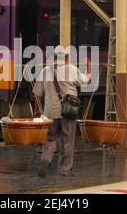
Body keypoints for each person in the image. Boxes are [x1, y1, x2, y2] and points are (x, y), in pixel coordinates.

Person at [33, 47, 91, 177]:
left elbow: (37, 94)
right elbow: (86, 81)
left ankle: (45, 160)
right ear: (66, 57)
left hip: (50, 111)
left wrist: (38, 110)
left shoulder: (45, 71)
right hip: (68, 111)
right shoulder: (71, 69)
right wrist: (89, 67)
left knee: (50, 138)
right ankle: (65, 169)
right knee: (68, 140)